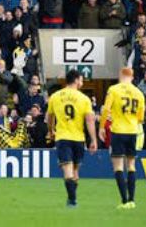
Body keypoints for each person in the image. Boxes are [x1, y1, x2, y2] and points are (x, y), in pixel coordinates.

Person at [46, 69, 97, 208]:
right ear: (75, 80)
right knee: (75, 172)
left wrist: (50, 131)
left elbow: (49, 117)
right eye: (81, 80)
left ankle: (72, 200)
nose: (82, 82)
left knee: (68, 170)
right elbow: (90, 120)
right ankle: (72, 199)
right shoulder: (84, 99)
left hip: (63, 137)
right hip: (79, 139)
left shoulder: (55, 97)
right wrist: (93, 140)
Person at [99, 67, 145, 209]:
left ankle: (124, 200)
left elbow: (106, 109)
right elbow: (141, 118)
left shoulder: (114, 89)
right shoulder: (139, 93)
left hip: (118, 131)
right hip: (132, 131)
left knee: (118, 166)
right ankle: (132, 200)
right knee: (131, 165)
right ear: (132, 76)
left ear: (121, 75)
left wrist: (101, 127)